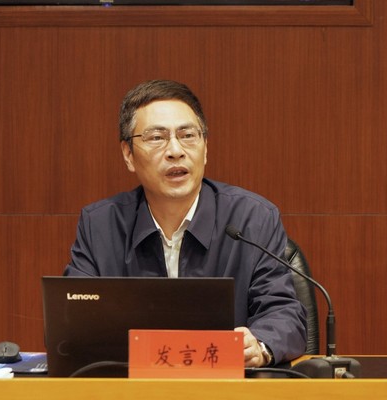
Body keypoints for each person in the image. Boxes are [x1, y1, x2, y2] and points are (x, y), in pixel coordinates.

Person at [64, 79, 307, 367]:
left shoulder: (252, 219)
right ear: (128, 155)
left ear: (205, 148)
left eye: (188, 135)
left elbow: (284, 313)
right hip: (133, 387)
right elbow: (71, 324)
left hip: (227, 386)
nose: (175, 151)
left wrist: (259, 344)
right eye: (157, 138)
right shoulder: (100, 226)